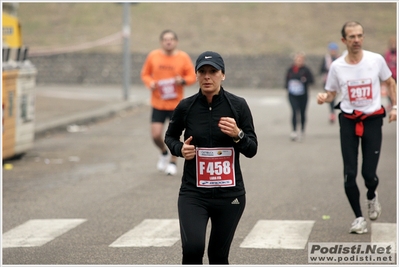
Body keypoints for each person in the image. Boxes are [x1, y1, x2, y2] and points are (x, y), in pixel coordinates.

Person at [164, 51, 258, 264]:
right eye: (202, 72)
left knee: (218, 256)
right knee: (193, 248)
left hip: (230, 196)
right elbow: (170, 137)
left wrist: (238, 135)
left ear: (222, 75)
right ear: (196, 76)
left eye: (213, 72)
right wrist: (180, 149)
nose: (207, 77)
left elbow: (252, 149)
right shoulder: (186, 106)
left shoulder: (238, 105)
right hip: (194, 193)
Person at [317, 21, 397, 234]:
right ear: (344, 40)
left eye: (360, 35)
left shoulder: (375, 60)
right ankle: (358, 218)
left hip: (371, 119)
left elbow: (390, 82)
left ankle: (372, 195)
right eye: (352, 36)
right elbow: (332, 92)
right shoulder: (337, 66)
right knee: (349, 173)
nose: (357, 40)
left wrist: (395, 107)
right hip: (349, 120)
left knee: (369, 173)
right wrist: (325, 97)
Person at [141, 30, 196, 176]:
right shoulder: (153, 56)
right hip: (158, 102)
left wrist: (182, 81)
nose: (168, 41)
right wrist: (150, 83)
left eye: (171, 39)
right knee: (156, 135)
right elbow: (145, 74)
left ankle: (172, 162)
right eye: (165, 39)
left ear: (176, 41)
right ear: (161, 42)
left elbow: (192, 76)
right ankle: (164, 152)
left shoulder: (183, 57)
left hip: (176, 105)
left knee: (174, 136)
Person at [284, 52, 314, 141]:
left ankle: (302, 130)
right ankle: (294, 131)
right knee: (294, 111)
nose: (299, 61)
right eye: (297, 59)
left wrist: (304, 81)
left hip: (303, 95)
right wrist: (288, 85)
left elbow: (312, 80)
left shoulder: (306, 70)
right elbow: (286, 80)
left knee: (302, 112)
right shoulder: (290, 69)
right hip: (292, 95)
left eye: (301, 60)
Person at [320, 42, 340, 123]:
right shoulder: (326, 59)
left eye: (334, 50)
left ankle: (333, 112)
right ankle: (332, 112)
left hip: (337, 81)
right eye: (331, 50)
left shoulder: (339, 59)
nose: (333, 52)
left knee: (334, 97)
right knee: (329, 97)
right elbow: (321, 69)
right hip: (327, 81)